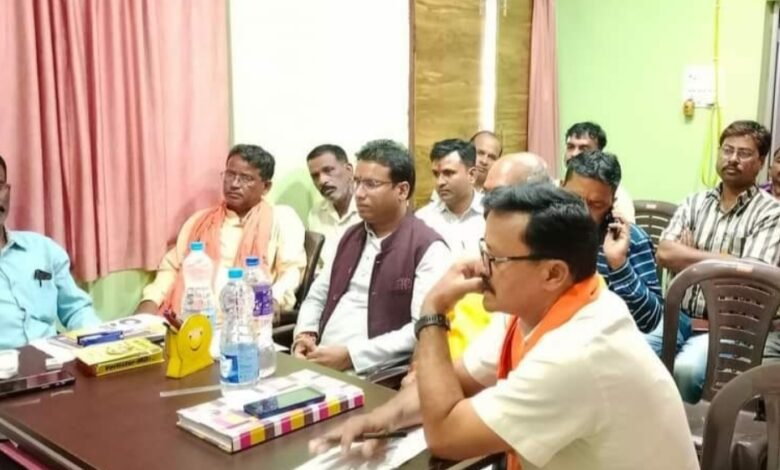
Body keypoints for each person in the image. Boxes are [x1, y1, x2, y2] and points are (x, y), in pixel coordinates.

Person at [311, 184, 698, 470]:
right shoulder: (540, 307)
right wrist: (384, 418)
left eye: (495, 258)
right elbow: (458, 379)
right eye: (485, 250)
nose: (481, 268)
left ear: (553, 273)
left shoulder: (579, 352)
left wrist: (433, 311)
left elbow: (447, 435)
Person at [292, 140, 450, 375]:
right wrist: (306, 333)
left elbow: (422, 329)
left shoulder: (428, 247)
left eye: (371, 184)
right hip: (320, 360)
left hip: (372, 373)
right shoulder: (351, 236)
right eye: (357, 182)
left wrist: (350, 356)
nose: (359, 193)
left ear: (402, 190)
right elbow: (317, 296)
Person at [654, 120, 780, 403]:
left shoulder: (771, 213)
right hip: (678, 318)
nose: (733, 159)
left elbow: (751, 279)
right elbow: (665, 253)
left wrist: (688, 257)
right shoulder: (694, 202)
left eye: (744, 153)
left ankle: (690, 431)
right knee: (633, 359)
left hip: (731, 327)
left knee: (686, 371)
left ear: (760, 162)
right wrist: (726, 260)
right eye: (727, 150)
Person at [136, 144, 306, 316]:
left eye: (246, 178)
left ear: (266, 187)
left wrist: (273, 299)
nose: (234, 184)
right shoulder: (200, 221)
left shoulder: (281, 218)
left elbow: (292, 271)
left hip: (244, 321)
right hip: (188, 318)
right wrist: (149, 303)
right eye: (230, 175)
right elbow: (171, 268)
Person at [0, 155, 101, 349]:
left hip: (54, 360)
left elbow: (76, 309)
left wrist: (100, 343)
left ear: (8, 191)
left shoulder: (43, 249)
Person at [562, 151, 662, 333]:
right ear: (561, 188)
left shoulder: (630, 239)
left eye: (596, 205)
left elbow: (651, 320)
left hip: (606, 340)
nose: (583, 211)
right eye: (574, 199)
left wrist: (619, 264)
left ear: (612, 202)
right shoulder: (543, 231)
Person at [416, 139, 483, 259]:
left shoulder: (492, 214)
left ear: (472, 175)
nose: (440, 182)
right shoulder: (422, 220)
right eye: (436, 174)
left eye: (448, 173)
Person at [563, 122, 635, 222]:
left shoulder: (619, 196)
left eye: (583, 148)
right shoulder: (553, 187)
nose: (574, 154)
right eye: (570, 147)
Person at [306, 144, 361, 268]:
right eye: (315, 176)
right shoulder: (316, 214)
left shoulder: (371, 209)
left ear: (349, 170)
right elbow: (316, 266)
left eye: (328, 170)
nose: (322, 181)